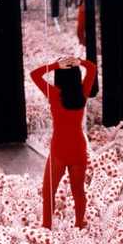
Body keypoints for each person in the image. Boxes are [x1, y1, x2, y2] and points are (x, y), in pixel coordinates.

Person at [30, 56, 97, 229]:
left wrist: (55, 65)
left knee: (48, 191)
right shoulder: (83, 92)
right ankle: (80, 224)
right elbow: (93, 68)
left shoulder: (54, 94)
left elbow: (34, 75)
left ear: (58, 76)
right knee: (78, 191)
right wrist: (79, 62)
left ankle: (46, 226)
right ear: (76, 75)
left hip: (59, 149)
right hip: (78, 149)